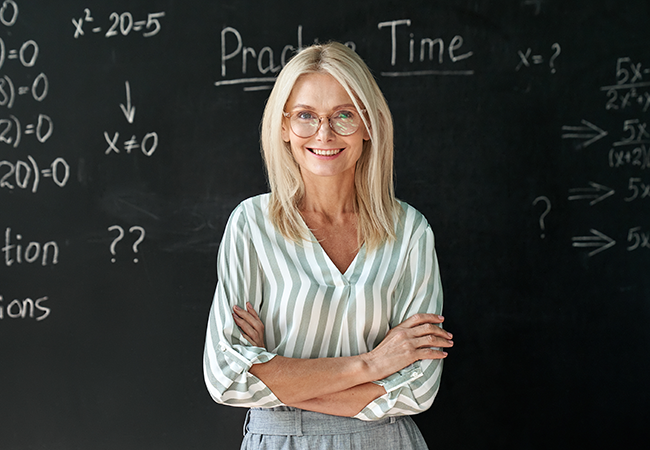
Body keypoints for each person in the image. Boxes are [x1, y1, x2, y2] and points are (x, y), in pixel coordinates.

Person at [203, 41, 453, 450]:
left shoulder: (409, 231)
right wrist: (371, 364)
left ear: (368, 124)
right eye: (305, 116)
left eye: (343, 115)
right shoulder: (252, 225)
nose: (324, 133)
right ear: (283, 126)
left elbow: (417, 390)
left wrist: (276, 370)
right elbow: (226, 377)